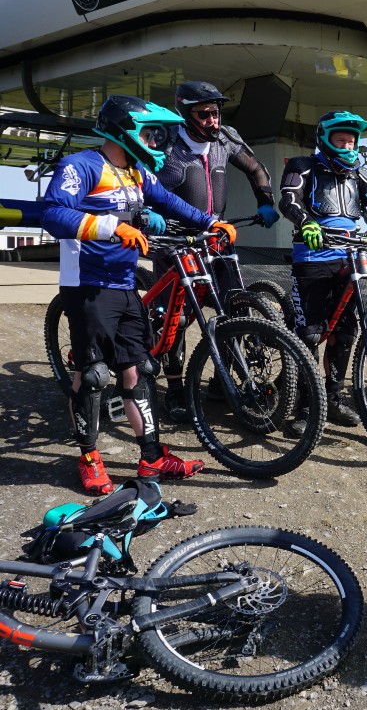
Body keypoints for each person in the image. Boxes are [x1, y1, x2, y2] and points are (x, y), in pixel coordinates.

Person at [42, 94, 237, 495]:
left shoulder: (136, 173)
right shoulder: (82, 165)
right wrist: (111, 227)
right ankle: (90, 458)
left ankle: (152, 455)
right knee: (93, 375)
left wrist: (212, 222)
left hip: (126, 282)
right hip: (88, 286)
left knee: (139, 370)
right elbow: (52, 214)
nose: (154, 140)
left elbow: (171, 201)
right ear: (123, 129)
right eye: (148, 133)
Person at [278, 110, 367, 428]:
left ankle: (333, 398)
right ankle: (304, 406)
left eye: (352, 139)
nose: (347, 144)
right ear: (325, 139)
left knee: (344, 333)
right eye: (341, 139)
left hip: (350, 258)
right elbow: (289, 201)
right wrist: (307, 223)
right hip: (313, 257)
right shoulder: (304, 166)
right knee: (310, 333)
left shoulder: (359, 171)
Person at [153, 80, 280, 422]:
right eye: (205, 114)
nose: (213, 120)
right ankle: (176, 388)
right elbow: (148, 186)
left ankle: (222, 385)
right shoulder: (167, 145)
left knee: (234, 309)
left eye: (216, 112)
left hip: (217, 238)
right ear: (186, 113)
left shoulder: (225, 138)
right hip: (177, 241)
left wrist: (265, 202)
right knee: (175, 320)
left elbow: (256, 169)